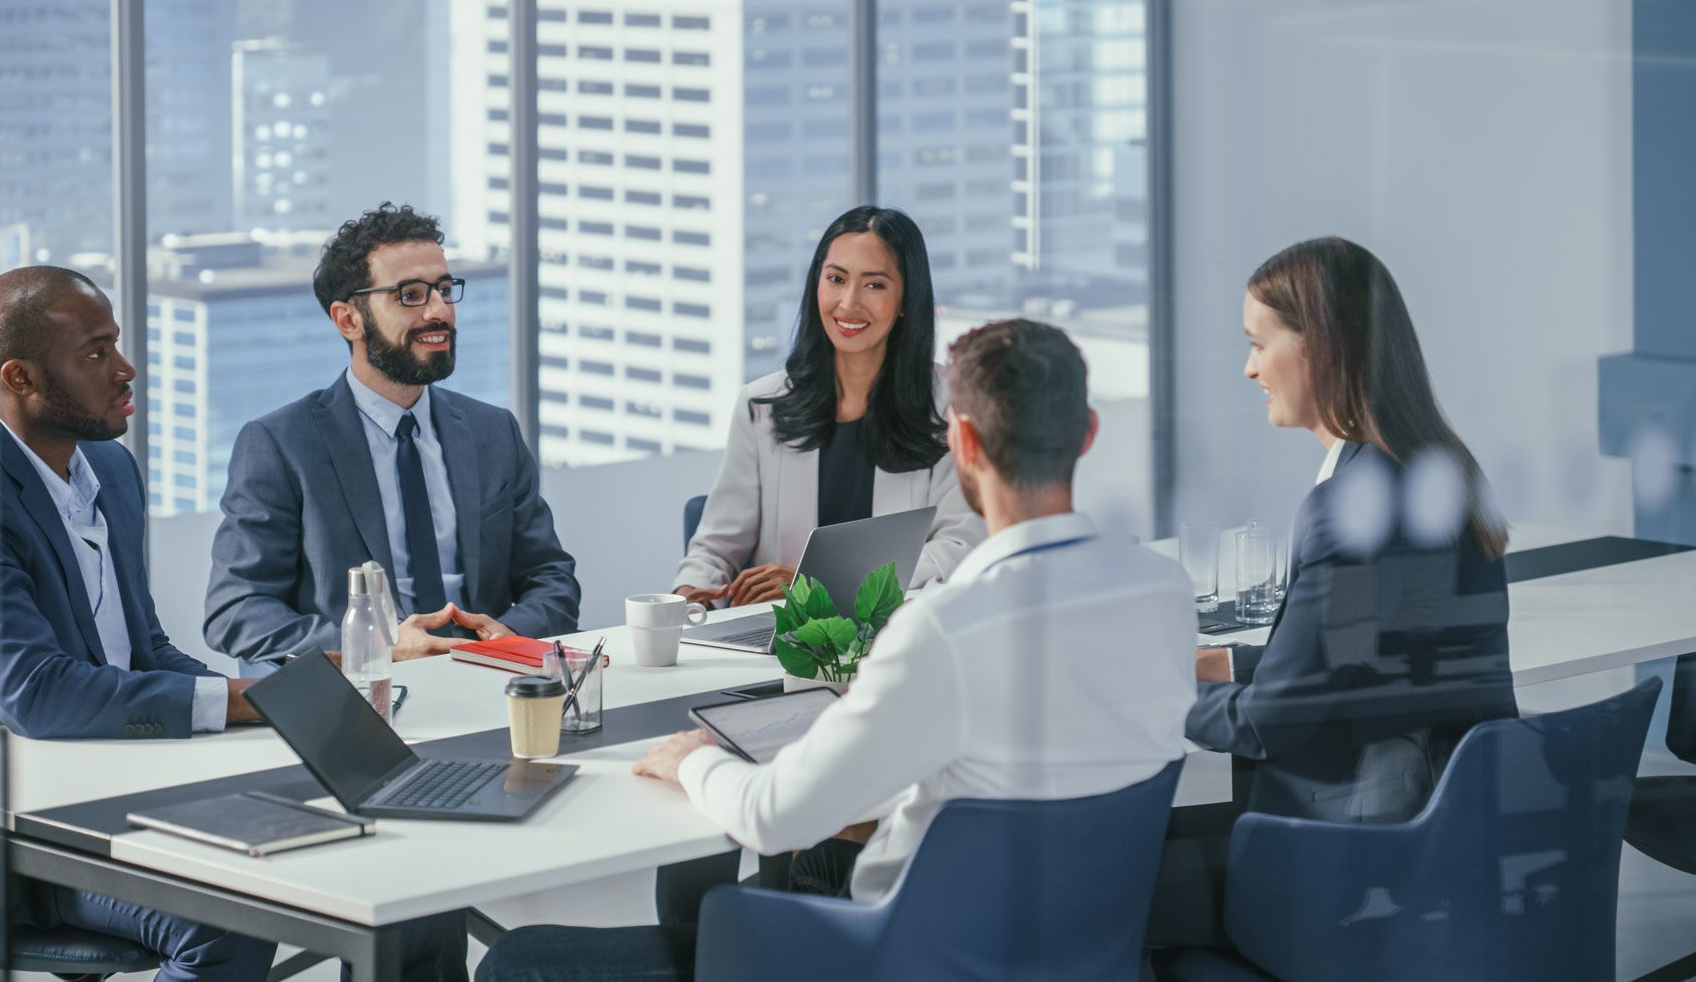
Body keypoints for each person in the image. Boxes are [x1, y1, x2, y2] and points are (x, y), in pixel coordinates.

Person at [476, 319, 1197, 982]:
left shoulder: (944, 630)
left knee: (520, 960)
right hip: (1069, 955)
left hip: (886, 957)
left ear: (966, 443)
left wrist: (690, 755)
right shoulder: (1164, 593)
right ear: (1090, 431)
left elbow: (770, 816)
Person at [0, 266, 275, 982]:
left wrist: (264, 699)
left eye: (116, 343)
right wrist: (234, 702)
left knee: (348, 851)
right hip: (15, 835)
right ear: (20, 377)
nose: (126, 369)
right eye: (95, 353)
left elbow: (144, 648)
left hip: (115, 785)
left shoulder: (109, 470)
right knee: (236, 920)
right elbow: (37, 694)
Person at [1147, 236, 1519, 953]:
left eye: (1259, 343)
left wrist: (1152, 688)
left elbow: (1267, 725)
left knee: (1125, 879)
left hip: (1353, 858)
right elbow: (1358, 654)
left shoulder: (1351, 506)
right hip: (1449, 834)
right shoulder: (1440, 469)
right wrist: (1217, 663)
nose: (1248, 366)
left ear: (1319, 347)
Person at [657, 205, 985, 914]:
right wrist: (691, 596)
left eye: (874, 284)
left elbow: (961, 545)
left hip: (890, 663)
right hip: (775, 668)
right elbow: (715, 546)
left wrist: (826, 590)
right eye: (835, 279)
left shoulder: (946, 407)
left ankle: (805, 908)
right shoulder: (763, 406)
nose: (848, 302)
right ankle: (717, 928)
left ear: (905, 301)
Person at [203, 202, 581, 667]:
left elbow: (550, 575)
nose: (439, 312)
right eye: (411, 295)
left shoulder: (492, 431)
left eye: (444, 290)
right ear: (348, 320)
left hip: (490, 677)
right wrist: (378, 646)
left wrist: (509, 637)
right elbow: (235, 611)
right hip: (364, 695)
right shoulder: (281, 444)